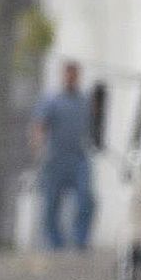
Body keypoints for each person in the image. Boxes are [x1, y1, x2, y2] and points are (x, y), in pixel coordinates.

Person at [35, 58, 96, 252]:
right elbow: (39, 125)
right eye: (68, 74)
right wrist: (39, 148)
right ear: (63, 76)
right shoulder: (52, 100)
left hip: (78, 156)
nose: (71, 78)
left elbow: (94, 126)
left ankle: (80, 238)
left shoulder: (84, 101)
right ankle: (55, 242)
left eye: (74, 74)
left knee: (85, 198)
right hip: (56, 158)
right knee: (51, 203)